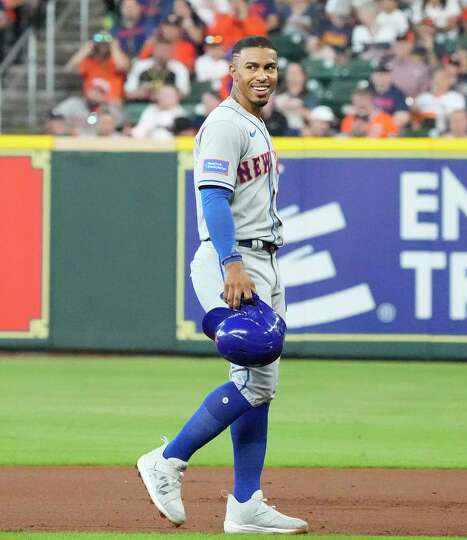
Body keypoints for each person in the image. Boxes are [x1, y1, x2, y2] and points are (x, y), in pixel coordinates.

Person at [135, 36, 308, 535]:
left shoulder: (253, 124)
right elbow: (213, 198)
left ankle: (247, 504)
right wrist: (233, 262)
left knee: (261, 385)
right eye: (251, 65)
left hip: (262, 260)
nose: (262, 75)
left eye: (270, 67)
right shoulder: (226, 124)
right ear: (231, 70)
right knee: (253, 372)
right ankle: (167, 460)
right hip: (233, 261)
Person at [65, 32, 130, 104]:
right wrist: (84, 50)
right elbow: (69, 69)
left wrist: (114, 47)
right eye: (100, 44)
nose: (103, 46)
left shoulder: (115, 61)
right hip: (90, 105)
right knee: (72, 102)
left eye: (106, 44)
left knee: (111, 107)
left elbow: (123, 67)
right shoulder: (89, 62)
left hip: (111, 104)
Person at [124, 37, 191, 100]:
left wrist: (161, 94)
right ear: (153, 50)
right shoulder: (140, 66)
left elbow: (183, 93)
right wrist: (143, 93)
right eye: (160, 49)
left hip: (170, 107)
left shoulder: (179, 67)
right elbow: (128, 93)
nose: (163, 53)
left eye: (166, 50)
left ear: (172, 51)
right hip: (142, 105)